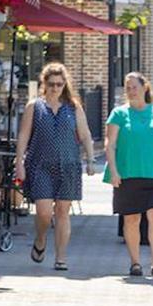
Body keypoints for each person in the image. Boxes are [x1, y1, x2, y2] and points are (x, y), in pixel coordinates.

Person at [13, 60, 92, 271]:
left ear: (65, 84)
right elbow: (23, 136)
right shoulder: (35, 106)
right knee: (44, 212)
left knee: (63, 212)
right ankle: (40, 238)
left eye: (59, 84)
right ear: (44, 83)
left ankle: (61, 257)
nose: (55, 88)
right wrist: (19, 162)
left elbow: (85, 135)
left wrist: (91, 160)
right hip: (40, 165)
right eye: (52, 84)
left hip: (68, 165)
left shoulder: (73, 107)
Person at [105, 71, 153, 280]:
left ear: (145, 87)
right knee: (132, 219)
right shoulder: (118, 114)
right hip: (127, 174)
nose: (131, 91)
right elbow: (110, 144)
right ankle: (135, 263)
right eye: (127, 88)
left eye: (134, 87)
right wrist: (114, 171)